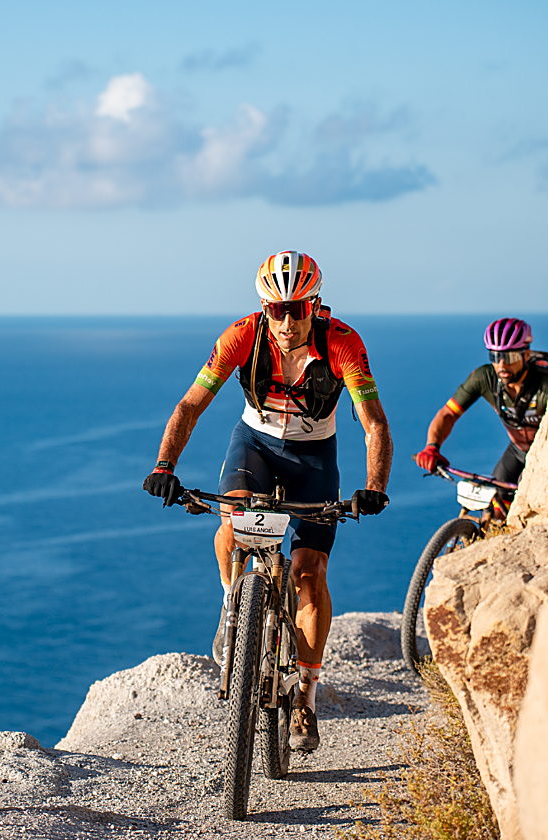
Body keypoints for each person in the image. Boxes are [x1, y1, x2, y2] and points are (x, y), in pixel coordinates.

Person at [143, 250, 392, 753]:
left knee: (309, 572)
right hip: (254, 443)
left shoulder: (343, 343)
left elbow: (374, 425)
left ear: (314, 304)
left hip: (314, 455)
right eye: (274, 309)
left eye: (295, 308)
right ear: (263, 307)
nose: (284, 319)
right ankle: (233, 604)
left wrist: (375, 486)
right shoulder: (241, 336)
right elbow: (190, 405)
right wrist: (164, 467)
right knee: (231, 523)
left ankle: (305, 696)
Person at [413, 317, 548, 521]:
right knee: (496, 507)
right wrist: (432, 447)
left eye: (511, 356)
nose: (502, 364)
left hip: (545, 455)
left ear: (527, 354)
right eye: (495, 357)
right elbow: (448, 414)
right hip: (517, 452)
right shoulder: (484, 378)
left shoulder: (546, 384)